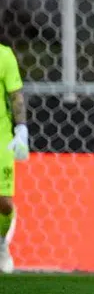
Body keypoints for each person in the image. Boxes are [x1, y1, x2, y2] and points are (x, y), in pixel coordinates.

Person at [0, 41, 29, 274]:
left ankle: (1, 243)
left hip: (1, 139)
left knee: (3, 202)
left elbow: (16, 96)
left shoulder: (4, 55)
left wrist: (21, 128)